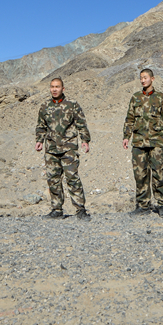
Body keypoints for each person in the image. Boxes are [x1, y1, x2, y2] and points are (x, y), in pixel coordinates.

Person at [35, 78, 92, 220]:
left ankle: (80, 210)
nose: (54, 89)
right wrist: (39, 141)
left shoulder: (72, 105)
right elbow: (41, 125)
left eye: (57, 87)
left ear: (63, 89)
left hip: (69, 148)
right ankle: (56, 209)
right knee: (53, 179)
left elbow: (81, 124)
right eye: (52, 87)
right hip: (51, 148)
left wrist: (85, 140)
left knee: (72, 178)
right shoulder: (45, 106)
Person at [122, 69, 163, 217]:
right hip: (139, 141)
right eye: (141, 78)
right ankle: (143, 205)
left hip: (157, 141)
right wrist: (126, 136)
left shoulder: (160, 98)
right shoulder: (136, 98)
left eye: (145, 78)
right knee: (140, 174)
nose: (143, 80)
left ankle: (161, 204)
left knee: (158, 172)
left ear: (152, 78)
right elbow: (130, 119)